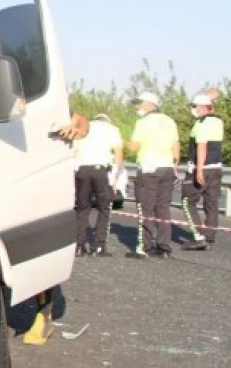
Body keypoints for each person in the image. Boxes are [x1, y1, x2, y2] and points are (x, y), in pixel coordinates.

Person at [126, 92, 181, 259]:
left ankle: (145, 247)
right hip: (167, 168)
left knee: (146, 207)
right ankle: (164, 246)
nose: (137, 107)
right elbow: (176, 145)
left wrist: (121, 142)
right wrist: (174, 166)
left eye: (139, 103)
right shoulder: (169, 121)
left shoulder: (143, 122)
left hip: (149, 169)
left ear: (150, 104)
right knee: (163, 208)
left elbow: (133, 147)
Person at [73, 113, 123, 257]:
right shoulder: (112, 129)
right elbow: (118, 154)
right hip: (100, 171)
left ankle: (79, 246)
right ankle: (99, 246)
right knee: (103, 209)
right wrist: (114, 179)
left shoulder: (83, 126)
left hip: (82, 170)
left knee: (82, 209)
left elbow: (74, 152)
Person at [181, 92, 224, 250]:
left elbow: (202, 146)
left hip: (202, 167)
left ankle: (199, 236)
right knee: (211, 203)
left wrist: (198, 170)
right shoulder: (217, 121)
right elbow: (211, 110)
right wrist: (209, 98)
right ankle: (210, 237)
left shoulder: (201, 123)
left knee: (187, 201)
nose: (193, 109)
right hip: (216, 168)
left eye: (195, 106)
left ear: (202, 107)